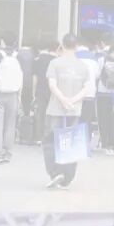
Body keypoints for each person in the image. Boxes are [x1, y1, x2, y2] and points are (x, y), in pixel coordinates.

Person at [44, 33, 90, 188]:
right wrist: (73, 100)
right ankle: (68, 177)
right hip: (74, 109)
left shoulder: (55, 63)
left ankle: (55, 172)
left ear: (62, 45)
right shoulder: (83, 66)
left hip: (56, 108)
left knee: (50, 141)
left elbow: (52, 85)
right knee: (71, 142)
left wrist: (63, 99)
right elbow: (86, 88)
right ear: (76, 46)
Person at [0, 34, 23, 164]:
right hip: (13, 94)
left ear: (2, 41)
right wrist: (19, 95)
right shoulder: (17, 56)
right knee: (10, 124)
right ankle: (7, 152)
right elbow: (21, 76)